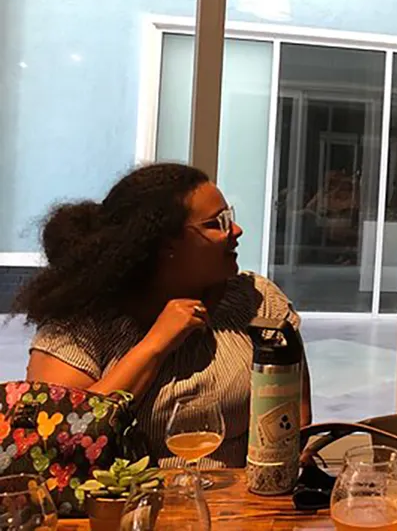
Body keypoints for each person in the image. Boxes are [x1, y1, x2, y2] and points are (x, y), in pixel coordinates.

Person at [14, 163, 312, 468]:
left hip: (240, 507)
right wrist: (156, 343)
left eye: (229, 218)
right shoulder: (83, 320)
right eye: (215, 224)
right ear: (165, 244)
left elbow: (295, 423)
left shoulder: (257, 301)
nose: (235, 231)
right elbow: (56, 441)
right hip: (121, 507)